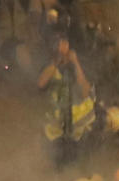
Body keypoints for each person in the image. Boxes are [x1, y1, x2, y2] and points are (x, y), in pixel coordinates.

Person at [38, 35, 96, 166]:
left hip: (80, 132)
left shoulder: (79, 65)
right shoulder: (50, 67)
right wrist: (56, 62)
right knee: (58, 167)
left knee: (79, 166)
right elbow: (41, 83)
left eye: (65, 45)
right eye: (59, 46)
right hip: (58, 133)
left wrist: (75, 62)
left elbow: (85, 91)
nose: (63, 49)